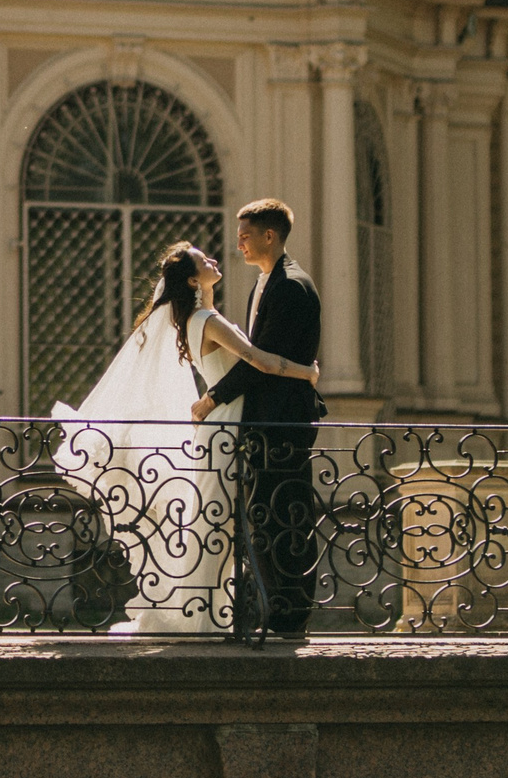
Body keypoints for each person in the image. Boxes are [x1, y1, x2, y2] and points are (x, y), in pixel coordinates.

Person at [50, 239, 318, 633]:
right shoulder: (206, 322)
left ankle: (207, 611)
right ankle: (199, 617)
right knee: (215, 524)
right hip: (224, 427)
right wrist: (307, 372)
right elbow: (261, 362)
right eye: (202, 260)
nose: (212, 258)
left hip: (220, 427)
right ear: (193, 279)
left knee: (215, 520)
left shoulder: (198, 317)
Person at [195, 198, 325, 635]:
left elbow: (260, 359)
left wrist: (213, 397)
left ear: (270, 236)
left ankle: (291, 612)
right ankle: (274, 606)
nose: (239, 244)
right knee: (265, 513)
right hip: (265, 421)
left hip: (284, 420)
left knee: (286, 511)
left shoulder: (292, 285)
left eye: (246, 235)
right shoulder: (264, 283)